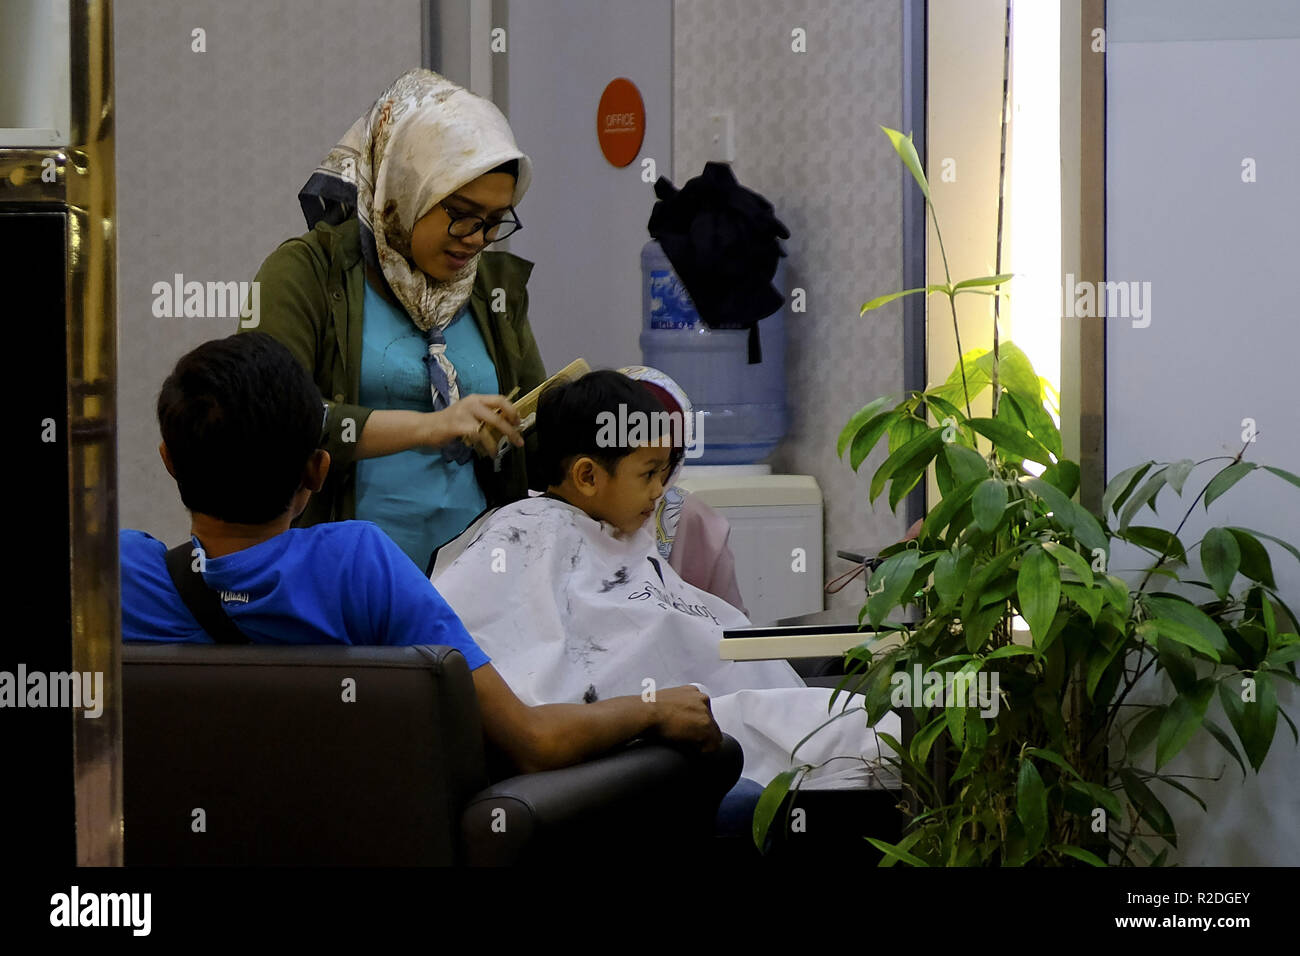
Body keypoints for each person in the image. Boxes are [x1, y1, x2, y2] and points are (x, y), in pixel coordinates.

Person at [119, 333, 721, 777]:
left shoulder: (113, 577)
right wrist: (652, 708)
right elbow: (535, 741)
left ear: (168, 460)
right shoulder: (357, 564)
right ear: (319, 469)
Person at [431, 370, 902, 799]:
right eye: (649, 473)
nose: (661, 491)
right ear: (588, 476)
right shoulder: (523, 536)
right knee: (870, 732)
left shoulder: (621, 534)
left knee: (874, 723)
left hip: (708, 708)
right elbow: (504, 661)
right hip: (659, 736)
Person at [246, 68, 544, 569]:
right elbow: (269, 422)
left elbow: (535, 434)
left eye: (495, 221)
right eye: (462, 213)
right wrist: (431, 427)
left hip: (476, 585)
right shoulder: (308, 274)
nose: (476, 238)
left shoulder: (490, 286)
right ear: (406, 188)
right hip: (342, 587)